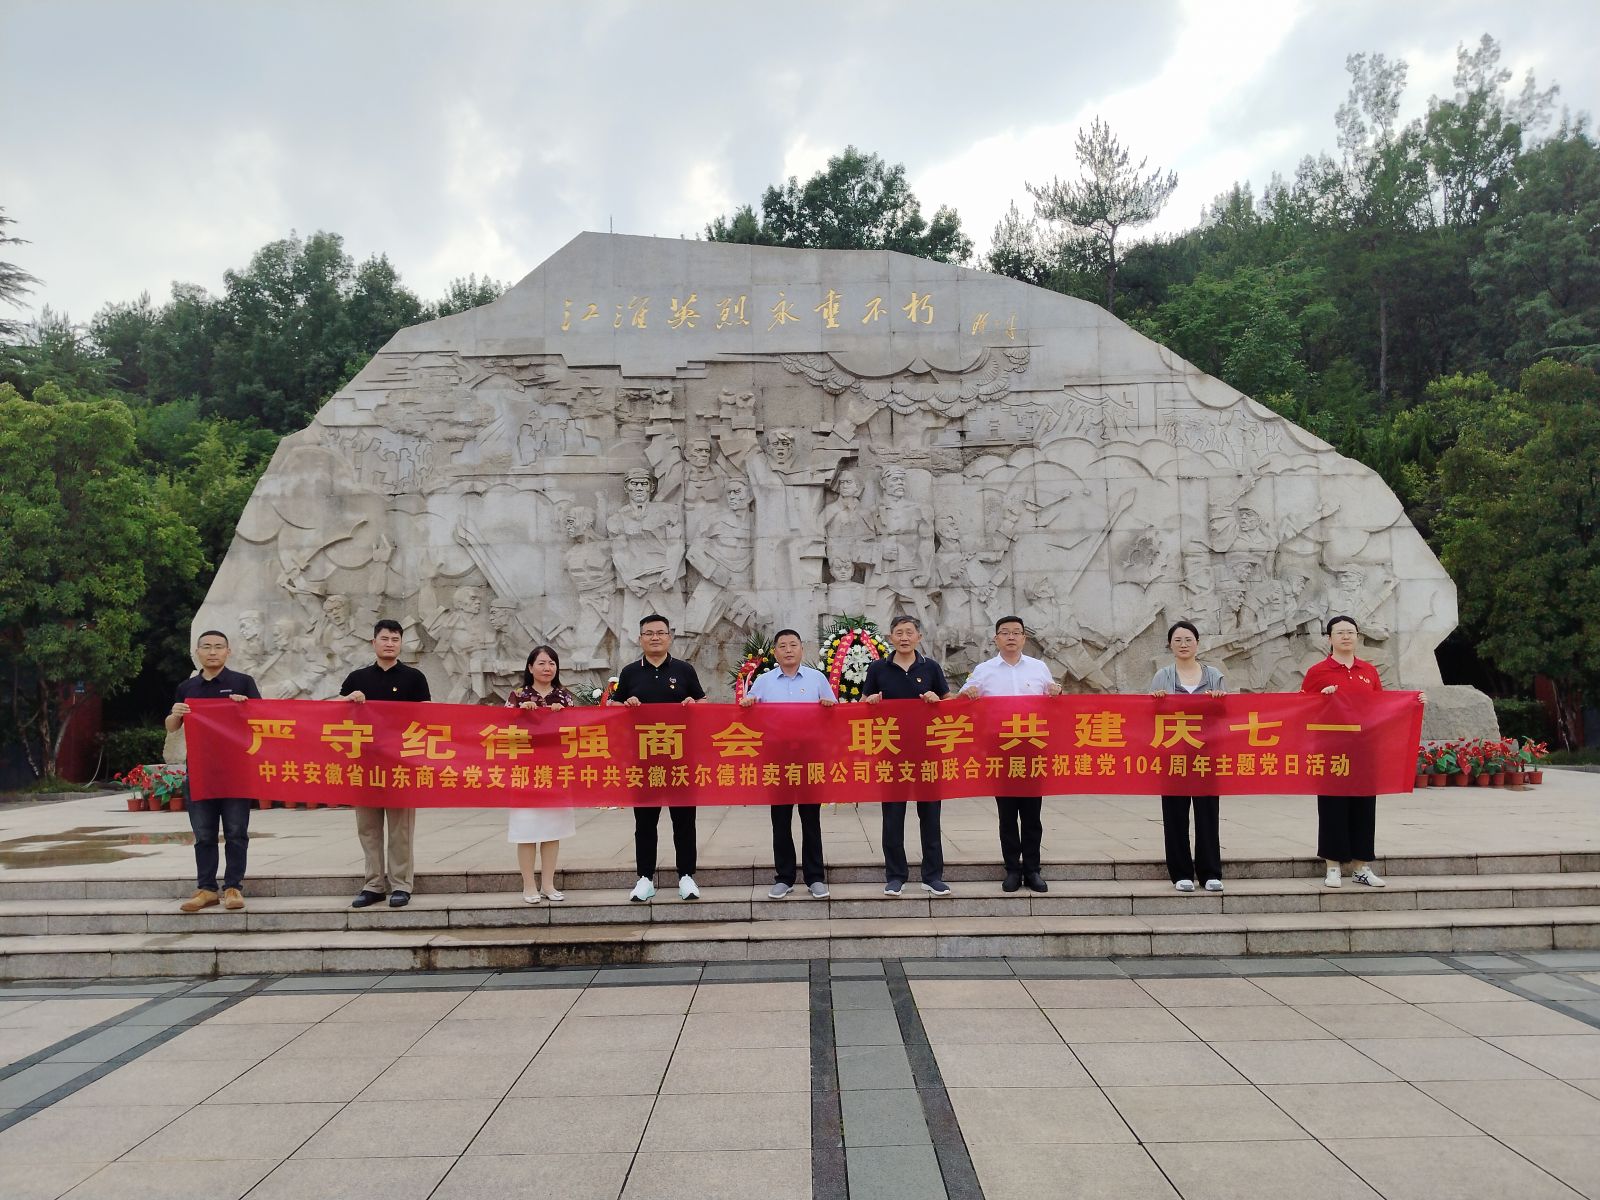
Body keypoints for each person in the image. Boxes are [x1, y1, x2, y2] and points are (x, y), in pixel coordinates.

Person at [1300, 614, 1424, 888]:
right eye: (1340, 632)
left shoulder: (1368, 671)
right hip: (1331, 750)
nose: (1346, 636)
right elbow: (1302, 708)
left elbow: (1381, 707)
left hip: (1364, 750)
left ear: (1357, 637)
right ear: (1329, 639)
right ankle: (1333, 866)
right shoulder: (1318, 672)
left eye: (1351, 632)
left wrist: (1413, 702)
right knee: (1332, 808)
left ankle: (1361, 866)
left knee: (1364, 808)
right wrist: (1321, 698)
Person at [958, 615, 1063, 893]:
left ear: (1024, 638)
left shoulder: (1039, 668)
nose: (1011, 637)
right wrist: (969, 693)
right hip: (1000, 751)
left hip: (1032, 750)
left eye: (1016, 632)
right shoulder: (984, 670)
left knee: (1032, 815)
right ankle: (1012, 870)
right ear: (996, 639)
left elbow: (1053, 699)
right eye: (1005, 632)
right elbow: (960, 701)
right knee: (1007, 815)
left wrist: (1057, 691)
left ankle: (1033, 870)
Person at [339, 619, 431, 908]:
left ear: (401, 643)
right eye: (384, 638)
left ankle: (401, 885)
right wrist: (348, 701)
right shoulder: (357, 678)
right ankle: (374, 884)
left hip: (401, 764)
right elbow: (334, 717)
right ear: (373, 642)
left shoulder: (414, 678)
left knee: (401, 828)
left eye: (395, 639)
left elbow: (428, 718)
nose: (390, 643)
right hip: (365, 764)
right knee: (368, 828)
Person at [165, 630, 260, 913]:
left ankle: (233, 887)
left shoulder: (242, 682)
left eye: (219, 647)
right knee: (204, 834)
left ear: (228, 651)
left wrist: (246, 707)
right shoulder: (188, 687)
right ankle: (206, 889)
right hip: (200, 772)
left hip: (235, 771)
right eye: (206, 647)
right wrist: (175, 713)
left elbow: (262, 719)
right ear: (198, 652)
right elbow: (172, 726)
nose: (213, 651)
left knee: (236, 832)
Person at [614, 614, 706, 902]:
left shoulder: (684, 670)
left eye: (660, 633)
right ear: (640, 638)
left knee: (684, 821)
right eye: (649, 633)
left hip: (680, 759)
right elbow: (613, 708)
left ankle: (686, 876)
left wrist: (693, 704)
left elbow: (702, 702)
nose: (655, 637)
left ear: (669, 637)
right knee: (644, 822)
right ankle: (645, 878)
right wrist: (626, 704)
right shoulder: (630, 672)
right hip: (644, 760)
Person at [741, 628, 837, 899]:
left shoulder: (817, 679)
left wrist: (828, 705)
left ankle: (815, 877)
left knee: (811, 819)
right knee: (780, 820)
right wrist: (748, 705)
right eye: (782, 646)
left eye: (793, 645)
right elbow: (749, 717)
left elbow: (835, 713)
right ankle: (784, 878)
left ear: (801, 649)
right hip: (777, 758)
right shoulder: (764, 681)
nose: (788, 650)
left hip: (809, 757)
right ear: (775, 652)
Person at [863, 616, 952, 897]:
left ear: (918, 637)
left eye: (909, 632)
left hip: (927, 753)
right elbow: (862, 706)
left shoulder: (931, 667)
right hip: (891, 754)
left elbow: (950, 703)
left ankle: (932, 876)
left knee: (931, 817)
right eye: (899, 633)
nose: (904, 637)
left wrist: (937, 701)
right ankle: (895, 875)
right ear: (890, 637)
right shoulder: (878, 668)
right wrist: (870, 702)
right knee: (892, 817)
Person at [1150, 621, 1226, 894]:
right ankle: (1181, 873)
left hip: (1206, 756)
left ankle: (1210, 872)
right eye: (1178, 640)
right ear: (1170, 645)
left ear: (1197, 643)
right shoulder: (1163, 676)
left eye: (1188, 639)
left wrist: (1220, 700)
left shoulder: (1214, 675)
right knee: (1175, 815)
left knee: (1208, 815)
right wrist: (1157, 701)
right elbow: (1150, 716)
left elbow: (1225, 715)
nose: (1183, 644)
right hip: (1174, 756)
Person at [506, 646, 578, 903]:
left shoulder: (565, 696)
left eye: (552, 663)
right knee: (526, 830)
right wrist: (520, 714)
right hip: (525, 771)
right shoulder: (518, 695)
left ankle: (548, 884)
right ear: (530, 667)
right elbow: (503, 729)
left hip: (556, 771)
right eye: (542, 663)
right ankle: (528, 885)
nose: (547, 668)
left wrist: (563, 716)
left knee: (552, 830)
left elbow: (577, 731)